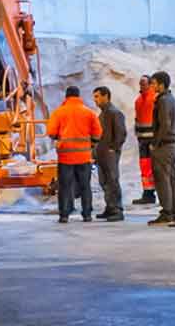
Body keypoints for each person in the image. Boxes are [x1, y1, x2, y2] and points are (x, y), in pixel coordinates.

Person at [44, 85, 102, 223]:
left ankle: (64, 215)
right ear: (78, 96)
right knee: (85, 186)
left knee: (65, 186)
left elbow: (51, 131)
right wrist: (92, 144)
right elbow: (98, 132)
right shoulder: (88, 112)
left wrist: (58, 138)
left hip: (66, 157)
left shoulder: (59, 112)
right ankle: (87, 214)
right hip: (84, 156)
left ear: (66, 96)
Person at [149, 70, 175, 224]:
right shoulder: (172, 99)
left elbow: (165, 125)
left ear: (161, 85)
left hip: (163, 145)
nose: (151, 85)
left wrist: (155, 143)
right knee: (171, 178)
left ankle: (167, 212)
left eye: (154, 83)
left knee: (162, 179)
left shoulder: (163, 101)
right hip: (171, 144)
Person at [92, 85, 129, 221]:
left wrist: (114, 147)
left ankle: (117, 210)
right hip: (102, 153)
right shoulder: (103, 113)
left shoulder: (114, 113)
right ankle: (110, 207)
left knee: (112, 181)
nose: (95, 100)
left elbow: (121, 133)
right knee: (104, 181)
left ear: (105, 96)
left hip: (110, 154)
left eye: (97, 96)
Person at [132, 74, 158, 206]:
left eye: (144, 83)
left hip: (153, 140)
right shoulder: (138, 100)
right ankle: (148, 193)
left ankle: (161, 194)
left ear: (150, 84)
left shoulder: (155, 98)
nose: (141, 85)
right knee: (145, 167)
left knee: (155, 167)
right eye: (140, 83)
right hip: (142, 141)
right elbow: (138, 119)